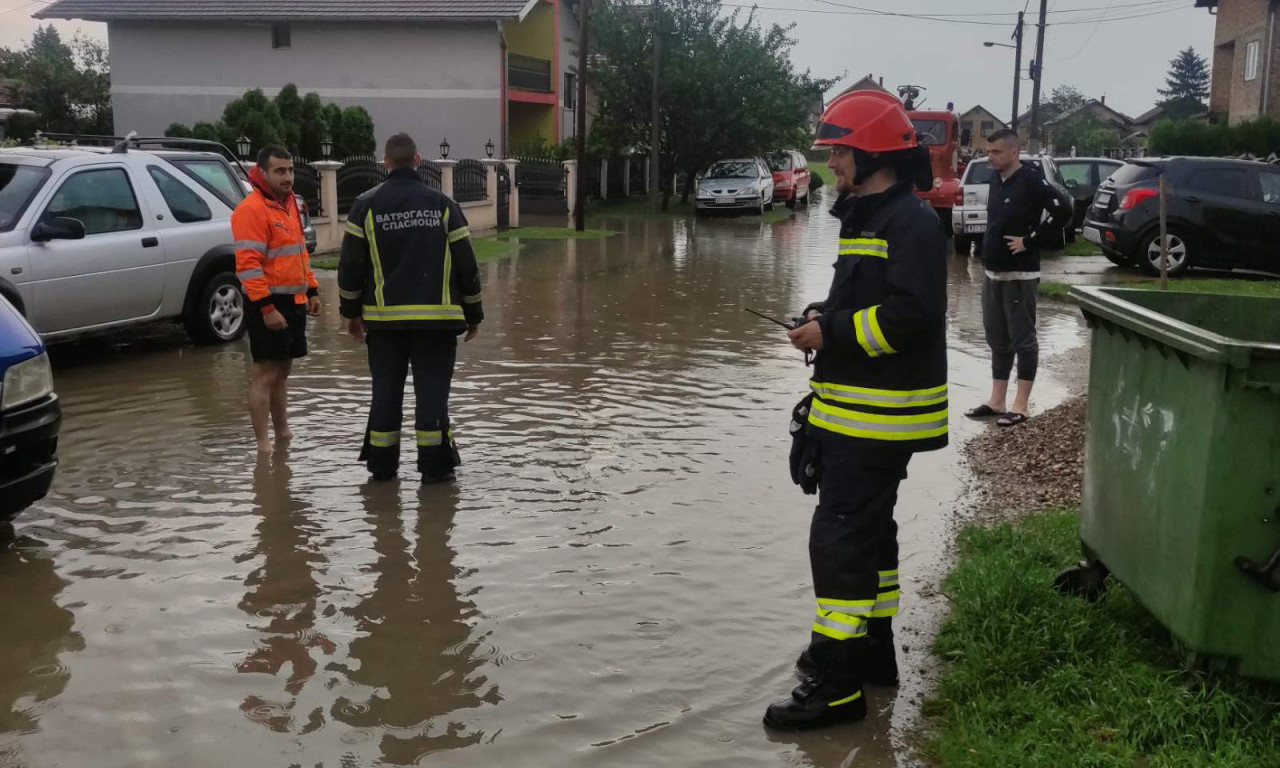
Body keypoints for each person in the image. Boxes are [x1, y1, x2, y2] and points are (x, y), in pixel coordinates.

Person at [764, 90, 949, 731]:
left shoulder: (911, 224)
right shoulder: (869, 217)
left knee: (839, 538)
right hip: (859, 413)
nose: (833, 163)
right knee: (870, 532)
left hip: (878, 417)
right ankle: (872, 654)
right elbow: (866, 299)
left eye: (840, 151)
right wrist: (823, 315)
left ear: (872, 152)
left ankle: (834, 686)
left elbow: (912, 317)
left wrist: (832, 335)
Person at [337, 133, 483, 484]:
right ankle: (435, 470)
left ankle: (382, 470)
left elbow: (350, 268)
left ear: (384, 163)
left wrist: (350, 313)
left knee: (385, 394)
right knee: (432, 396)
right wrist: (474, 314)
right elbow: (467, 266)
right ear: (418, 161)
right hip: (438, 323)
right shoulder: (444, 204)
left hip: (385, 325)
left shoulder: (364, 206)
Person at [966, 129, 1071, 427]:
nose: (991, 157)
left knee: (1022, 339)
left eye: (997, 152)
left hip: (1020, 273)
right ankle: (996, 401)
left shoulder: (1031, 179)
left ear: (1015, 152)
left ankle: (1021, 405)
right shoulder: (995, 179)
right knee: (997, 338)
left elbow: (1063, 210)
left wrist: (1030, 240)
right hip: (993, 272)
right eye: (989, 152)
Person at [232, 146, 321, 455]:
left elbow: (299, 253)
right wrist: (266, 308)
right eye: (280, 171)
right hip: (267, 304)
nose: (288, 177)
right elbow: (248, 266)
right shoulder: (252, 209)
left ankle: (283, 434)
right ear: (263, 173)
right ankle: (263, 444)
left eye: (291, 170)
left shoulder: (289, 206)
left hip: (293, 301)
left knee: (283, 373)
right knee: (266, 373)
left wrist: (311, 290)